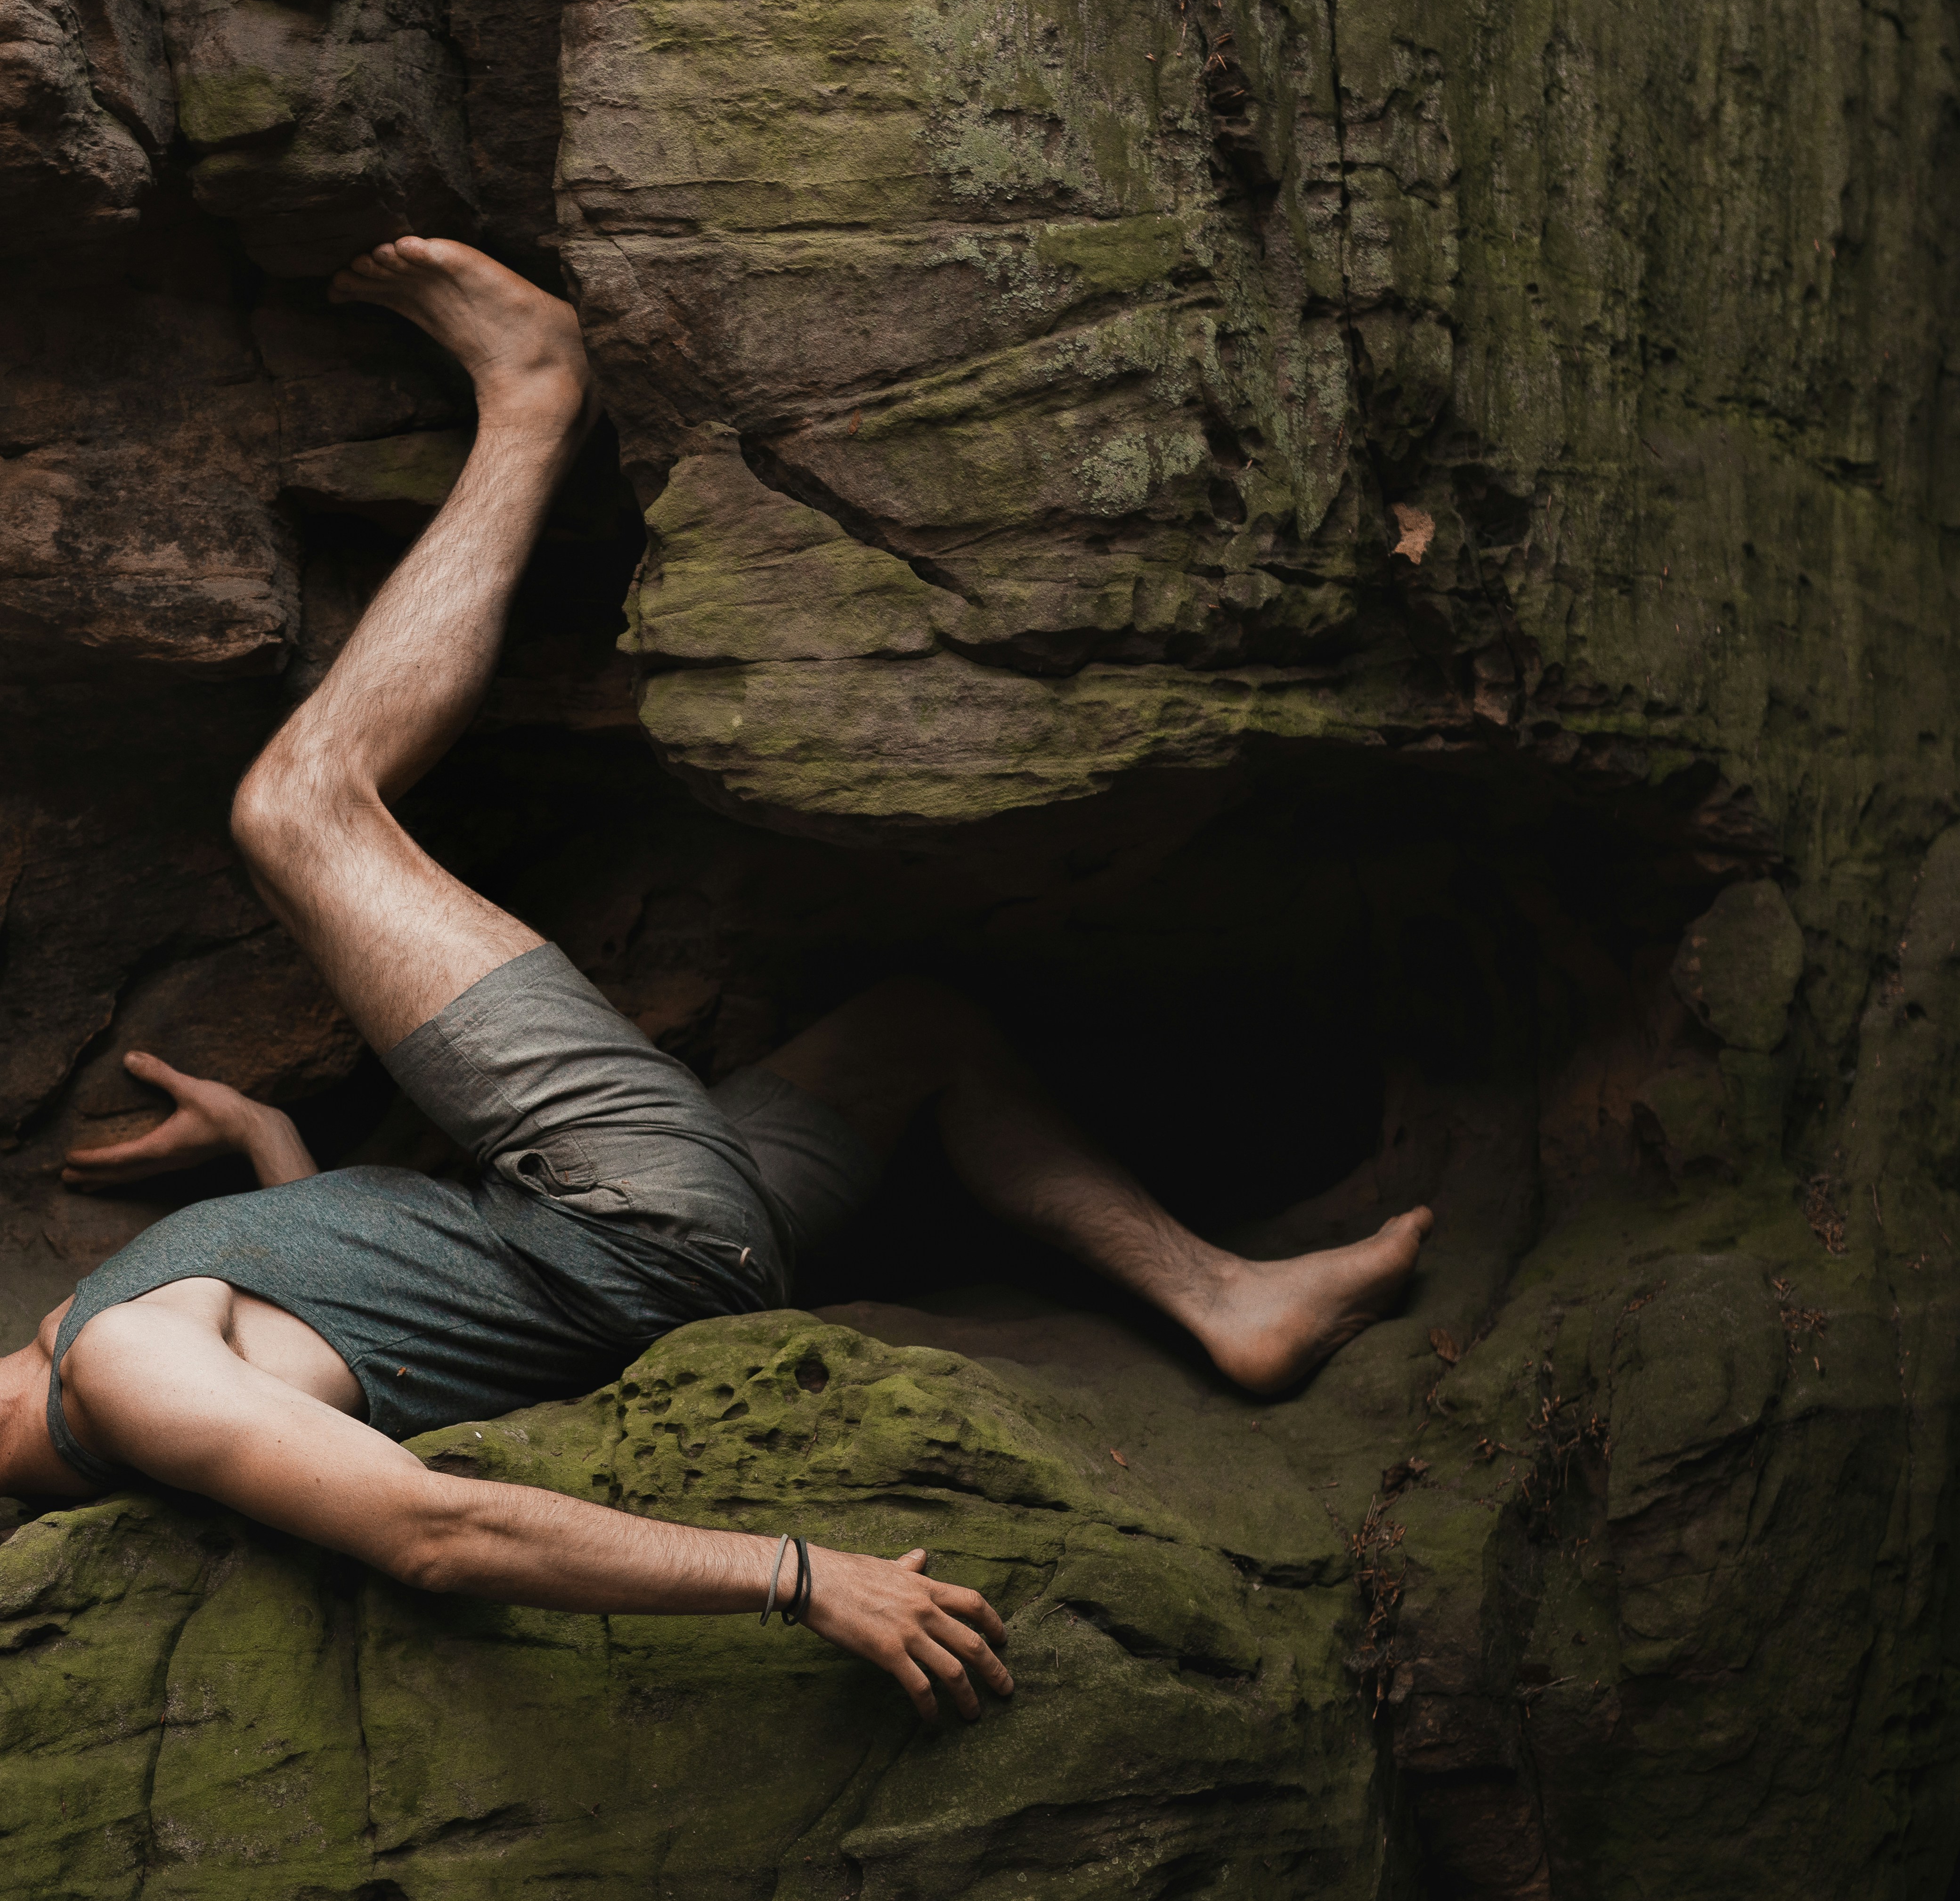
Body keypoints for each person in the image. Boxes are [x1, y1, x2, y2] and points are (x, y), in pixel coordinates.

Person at [0, 240, 1432, 1723]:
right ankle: (536, 394)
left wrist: (262, 1150)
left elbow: (370, 1331)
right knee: (302, 810)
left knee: (915, 1035)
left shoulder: (120, 1361)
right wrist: (803, 1575)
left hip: (658, 1241)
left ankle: (1226, 1301)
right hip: (619, 1214)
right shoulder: (127, 1377)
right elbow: (435, 1529)